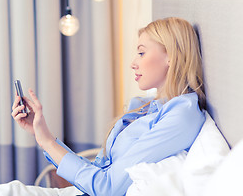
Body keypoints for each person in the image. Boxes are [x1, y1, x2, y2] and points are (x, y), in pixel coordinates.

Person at [11, 17, 206, 196]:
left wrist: (47, 142)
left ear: (171, 56)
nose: (133, 63)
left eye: (141, 52)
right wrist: (42, 135)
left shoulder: (181, 116)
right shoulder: (146, 107)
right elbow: (100, 172)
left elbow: (107, 187)